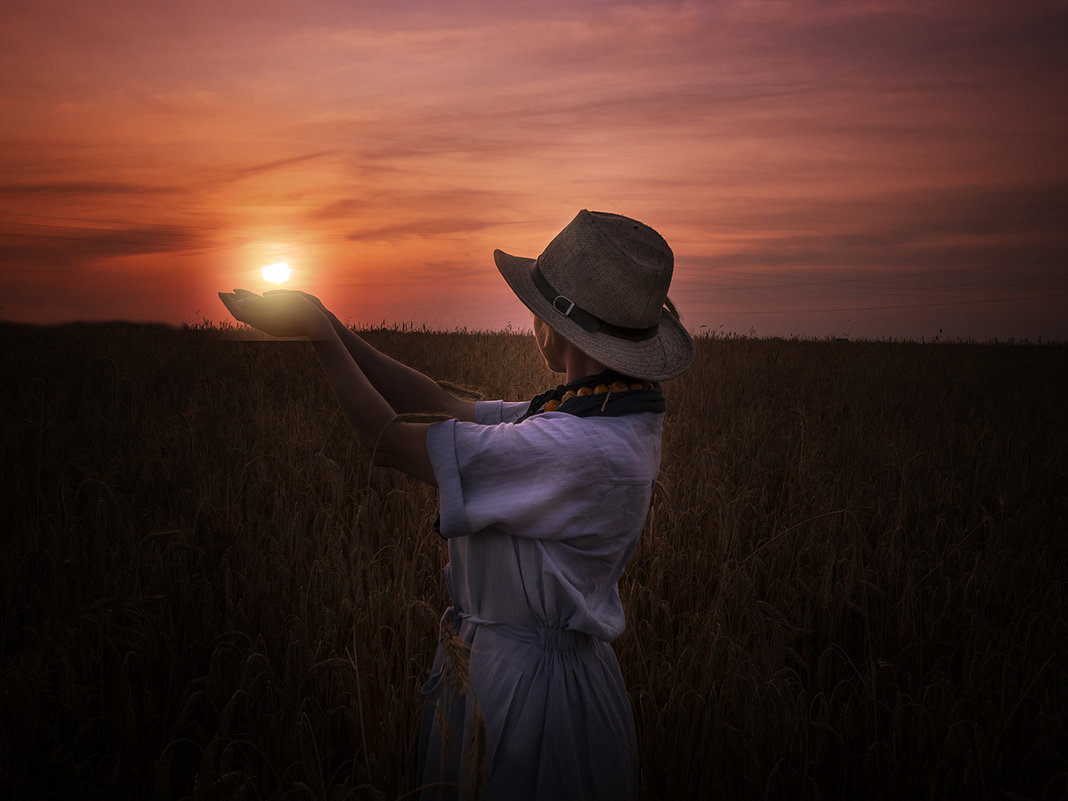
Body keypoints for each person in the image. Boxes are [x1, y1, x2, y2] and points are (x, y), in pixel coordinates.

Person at [219, 209, 694, 800]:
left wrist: (318, 336)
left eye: (538, 308)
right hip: (547, 680)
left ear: (562, 325)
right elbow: (444, 403)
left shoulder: (572, 445)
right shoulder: (601, 415)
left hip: (530, 702)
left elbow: (385, 439)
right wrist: (331, 323)